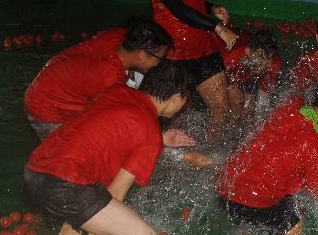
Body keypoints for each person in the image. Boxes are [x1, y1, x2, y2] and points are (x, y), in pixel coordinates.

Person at [21, 61, 194, 235]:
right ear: (176, 98)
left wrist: (161, 138)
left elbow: (108, 128)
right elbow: (116, 192)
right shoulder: (149, 134)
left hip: (35, 172)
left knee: (79, 213)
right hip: (65, 184)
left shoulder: (117, 91)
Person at [217, 74, 318, 235]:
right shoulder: (317, 149)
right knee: (295, 226)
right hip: (250, 202)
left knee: (282, 197)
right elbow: (316, 191)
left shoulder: (292, 105)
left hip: (225, 186)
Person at [23, 17, 193, 147]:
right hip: (46, 106)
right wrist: (160, 139)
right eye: (159, 58)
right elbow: (122, 126)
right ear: (141, 55)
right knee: (74, 154)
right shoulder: (110, 80)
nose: (160, 63)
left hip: (58, 83)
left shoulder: (118, 36)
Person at [146, 0, 239, 144]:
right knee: (170, 115)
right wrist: (218, 27)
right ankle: (162, 151)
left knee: (222, 110)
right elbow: (177, 8)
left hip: (204, 49)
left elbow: (193, 1)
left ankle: (209, 154)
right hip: (175, 53)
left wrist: (212, 8)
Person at [220, 29, 283, 115]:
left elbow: (263, 99)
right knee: (235, 101)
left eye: (268, 58)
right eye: (261, 57)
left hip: (246, 76)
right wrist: (231, 86)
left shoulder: (274, 65)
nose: (267, 64)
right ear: (248, 51)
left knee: (250, 109)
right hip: (225, 69)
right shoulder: (231, 56)